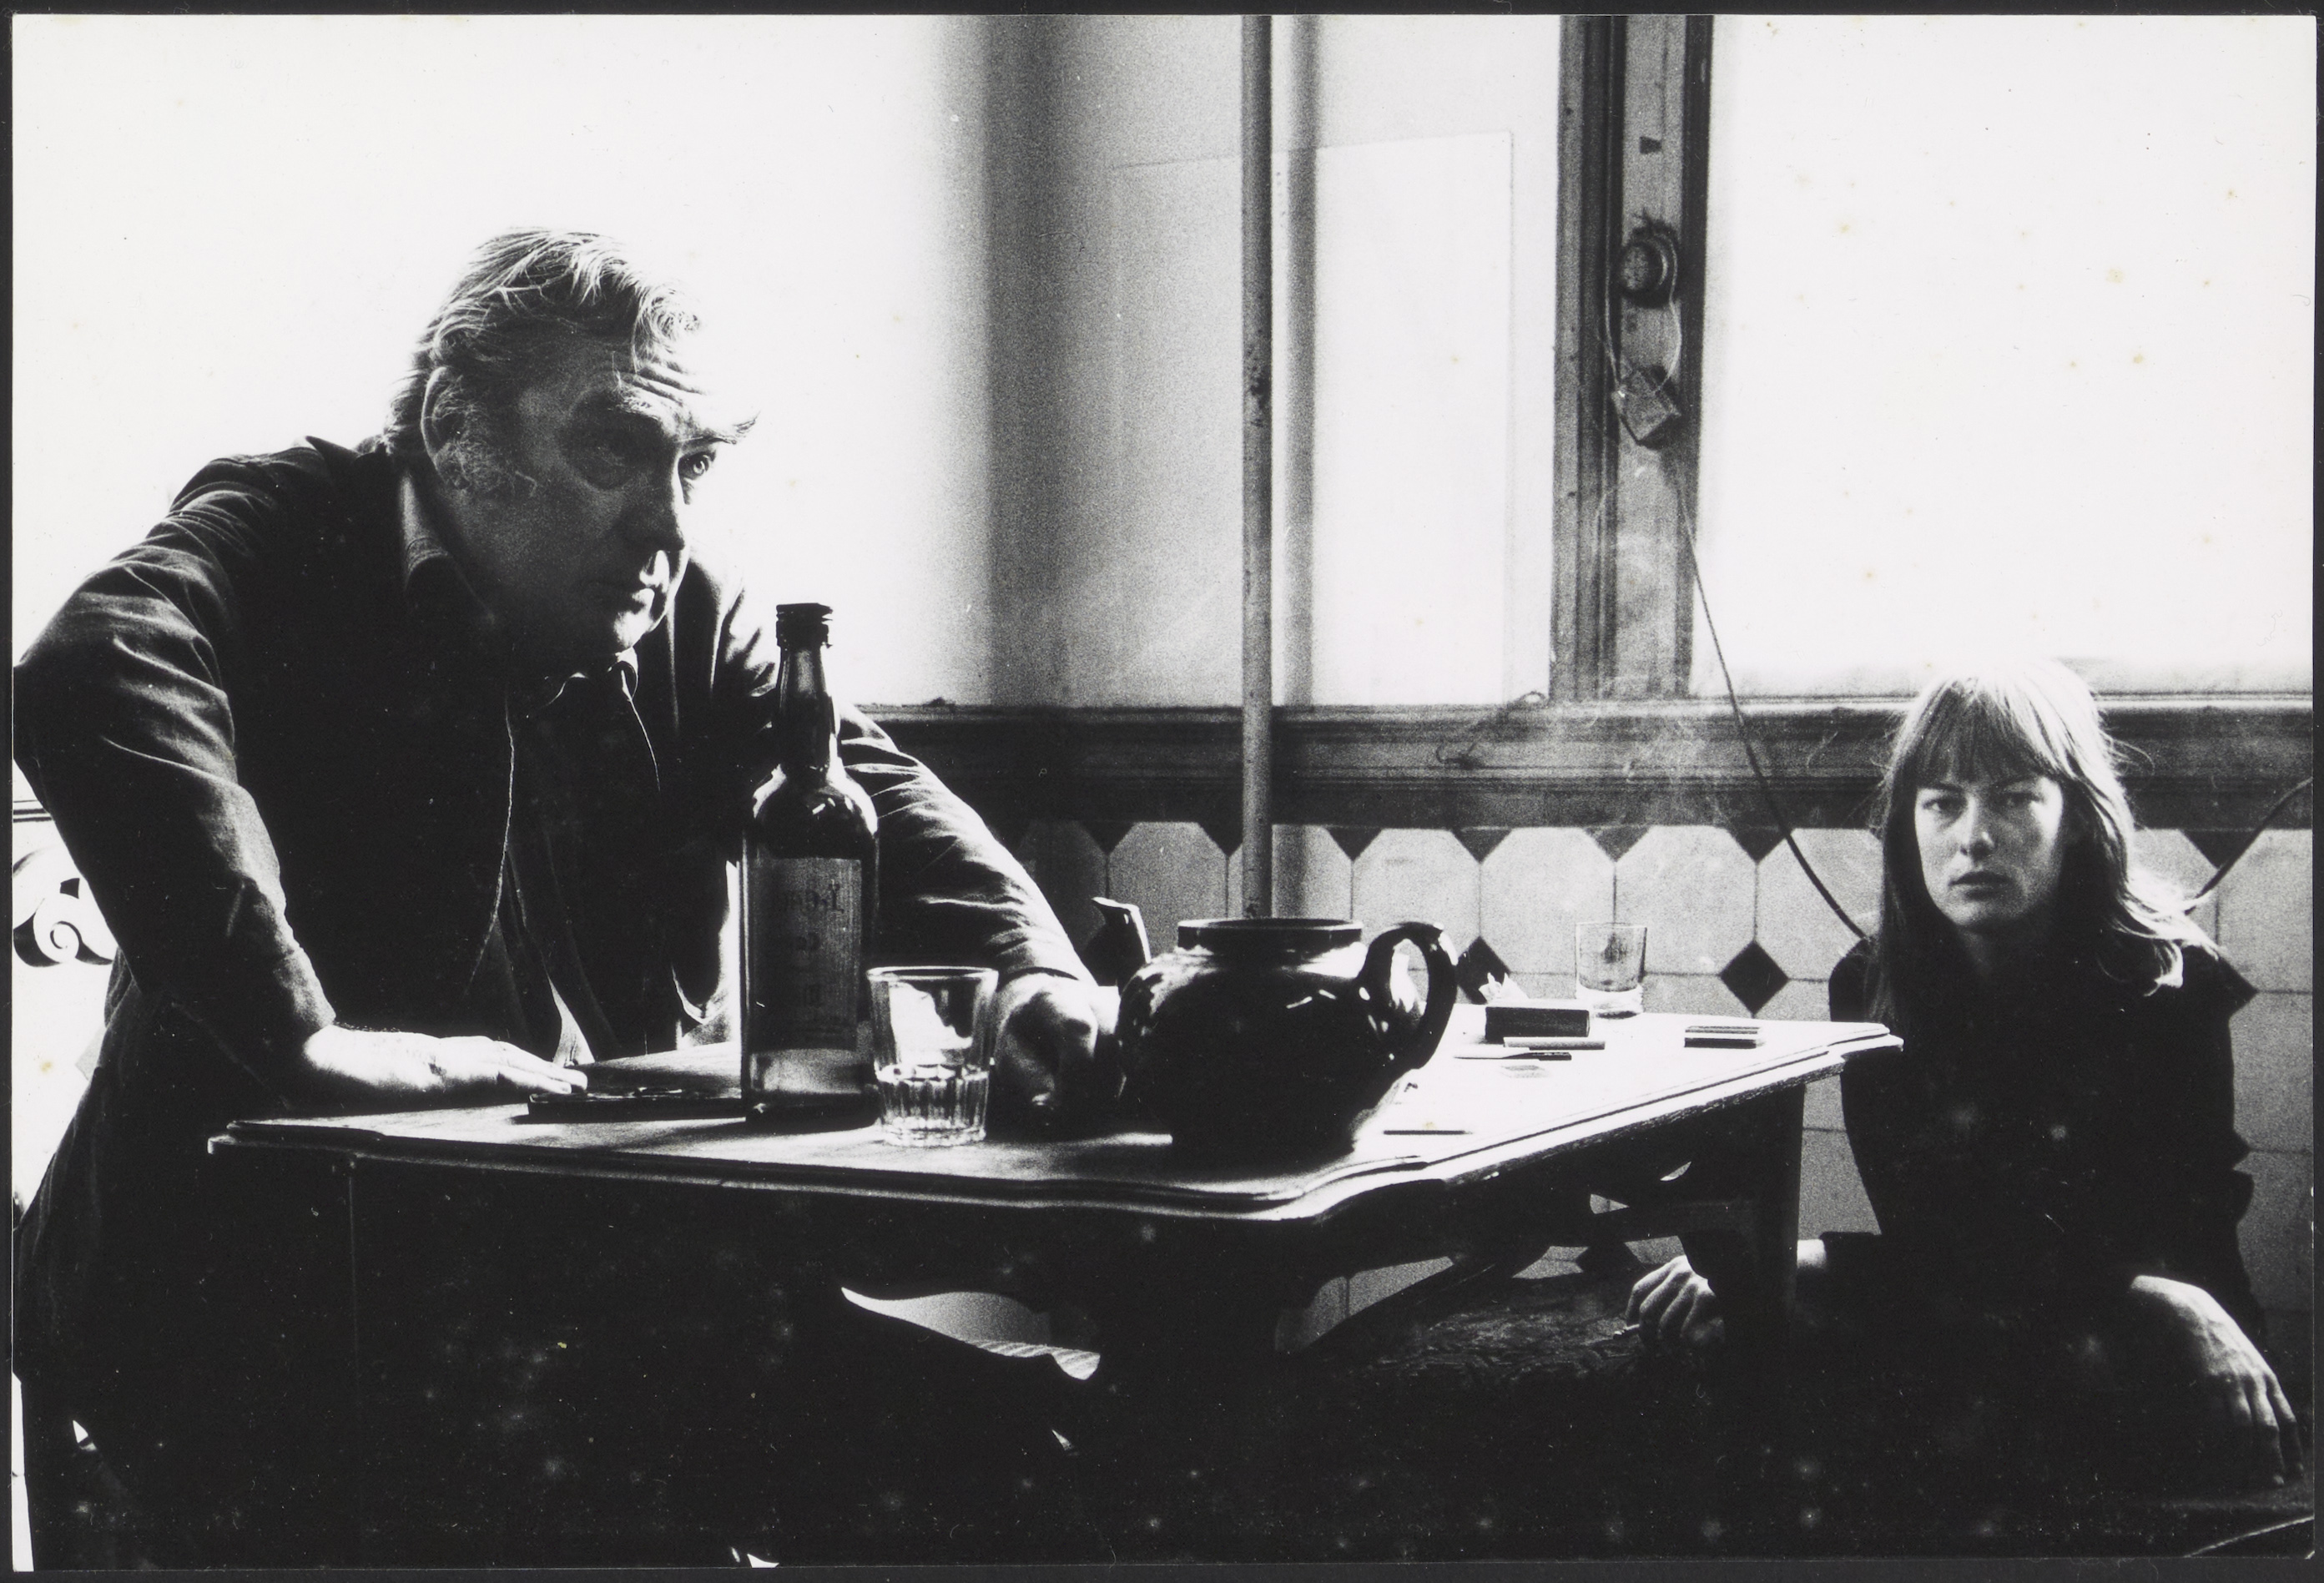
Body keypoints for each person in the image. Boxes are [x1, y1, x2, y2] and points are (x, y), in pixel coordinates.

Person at [13, 229, 1111, 1563]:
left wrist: (1033, 973)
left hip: (569, 1274)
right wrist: (300, 1035)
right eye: (614, 450)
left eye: (692, 465)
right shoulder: (287, 523)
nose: (668, 521)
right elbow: (97, 664)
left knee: (1035, 1463)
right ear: (455, 429)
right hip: (259, 1300)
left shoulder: (691, 614)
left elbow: (867, 791)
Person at [1627, 660, 2303, 1494]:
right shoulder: (1871, 983)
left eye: (2013, 798)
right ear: (1907, 826)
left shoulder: (2168, 979)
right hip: (2012, 1330)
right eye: (1942, 803)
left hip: (2173, 1346)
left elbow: (2178, 1239)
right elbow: (1940, 1248)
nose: (1973, 836)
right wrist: (1770, 1267)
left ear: (2077, 820)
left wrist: (1792, 1263)